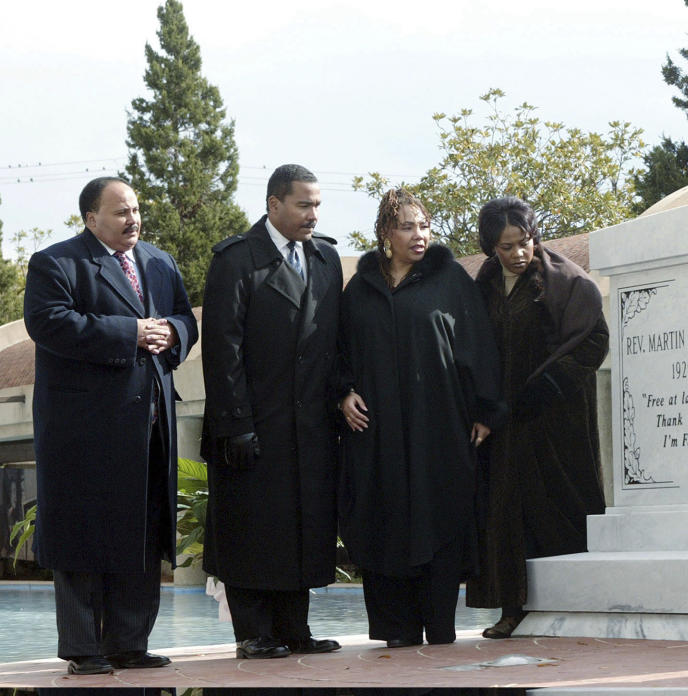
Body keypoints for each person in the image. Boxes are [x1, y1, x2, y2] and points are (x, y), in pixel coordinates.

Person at [23, 176, 198, 674]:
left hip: (150, 423)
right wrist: (131, 332)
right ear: (90, 218)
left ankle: (129, 643)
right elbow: (49, 323)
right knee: (82, 536)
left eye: (137, 210)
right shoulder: (57, 262)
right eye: (121, 212)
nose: (133, 220)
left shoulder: (160, 261)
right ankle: (83, 649)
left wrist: (173, 332)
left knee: (142, 532)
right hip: (84, 429)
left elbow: (186, 317)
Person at [337, 188, 503, 648]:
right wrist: (343, 393)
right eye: (408, 226)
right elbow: (339, 351)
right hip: (376, 434)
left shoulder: (451, 280)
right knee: (382, 518)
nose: (419, 235)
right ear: (386, 233)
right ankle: (396, 632)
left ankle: (441, 628)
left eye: (424, 226)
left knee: (440, 516)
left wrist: (486, 410)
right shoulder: (360, 288)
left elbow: (479, 346)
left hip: (439, 429)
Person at [200, 164, 343, 659]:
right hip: (252, 425)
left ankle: (294, 630)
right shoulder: (237, 260)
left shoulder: (326, 258)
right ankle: (253, 634)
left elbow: (333, 342)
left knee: (299, 528)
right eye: (303, 204)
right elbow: (223, 350)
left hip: (309, 428)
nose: (312, 214)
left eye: (317, 204)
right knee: (252, 530)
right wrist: (235, 424)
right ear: (273, 205)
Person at [466, 196, 609, 638]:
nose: (518, 253)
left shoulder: (565, 283)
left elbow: (592, 343)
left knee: (560, 508)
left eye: (524, 242)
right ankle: (512, 610)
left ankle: (578, 605)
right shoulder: (484, 287)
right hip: (501, 422)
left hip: (554, 421)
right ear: (492, 248)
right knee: (504, 513)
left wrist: (541, 392)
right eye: (506, 247)